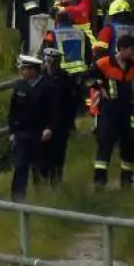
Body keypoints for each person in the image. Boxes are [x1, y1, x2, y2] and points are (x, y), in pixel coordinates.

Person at [92, 34, 134, 189]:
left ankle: (126, 179)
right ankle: (100, 180)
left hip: (128, 109)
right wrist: (99, 86)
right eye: (131, 49)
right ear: (121, 49)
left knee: (129, 143)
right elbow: (86, 78)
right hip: (109, 110)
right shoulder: (103, 63)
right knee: (105, 142)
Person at [7, 53, 55, 201]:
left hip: (39, 133)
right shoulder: (19, 86)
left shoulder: (47, 87)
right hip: (22, 133)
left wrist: (49, 127)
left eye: (26, 69)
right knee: (21, 165)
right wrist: (12, 131)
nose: (23, 72)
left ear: (34, 70)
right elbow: (13, 110)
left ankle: (41, 195)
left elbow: (54, 110)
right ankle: (17, 197)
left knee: (40, 166)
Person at [39, 45, 83, 186]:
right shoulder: (39, 79)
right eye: (48, 61)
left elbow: (72, 103)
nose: (51, 65)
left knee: (58, 156)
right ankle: (42, 181)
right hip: (42, 124)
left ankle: (56, 182)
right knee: (41, 157)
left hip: (61, 125)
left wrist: (70, 123)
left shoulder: (65, 80)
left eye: (54, 62)